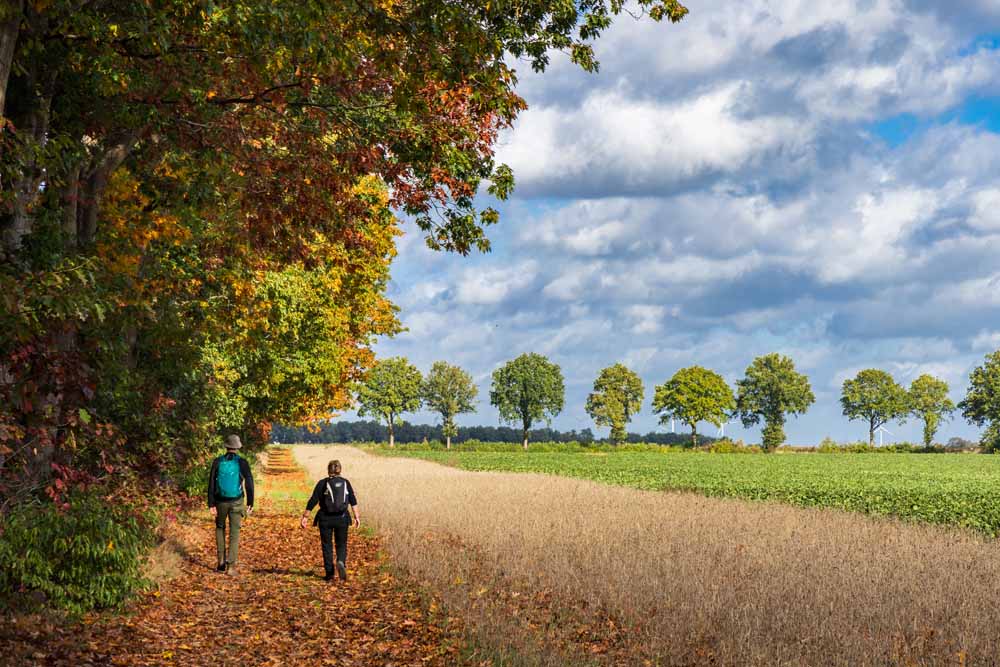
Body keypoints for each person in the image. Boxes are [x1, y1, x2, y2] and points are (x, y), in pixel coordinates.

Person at [301, 459, 360, 581]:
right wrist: (356, 517)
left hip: (325, 519)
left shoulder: (322, 483)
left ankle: (329, 574)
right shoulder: (345, 483)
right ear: (340, 470)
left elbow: (313, 500)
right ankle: (341, 561)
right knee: (341, 544)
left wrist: (305, 517)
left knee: (327, 546)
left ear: (328, 470)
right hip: (342, 518)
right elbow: (352, 500)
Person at [208, 434, 254, 575]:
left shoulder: (217, 461)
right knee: (235, 533)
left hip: (220, 501)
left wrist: (211, 504)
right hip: (236, 501)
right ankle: (231, 567)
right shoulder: (242, 463)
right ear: (237, 447)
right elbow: (249, 483)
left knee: (220, 527)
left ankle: (221, 561)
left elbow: (211, 483)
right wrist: (250, 502)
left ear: (227, 447)